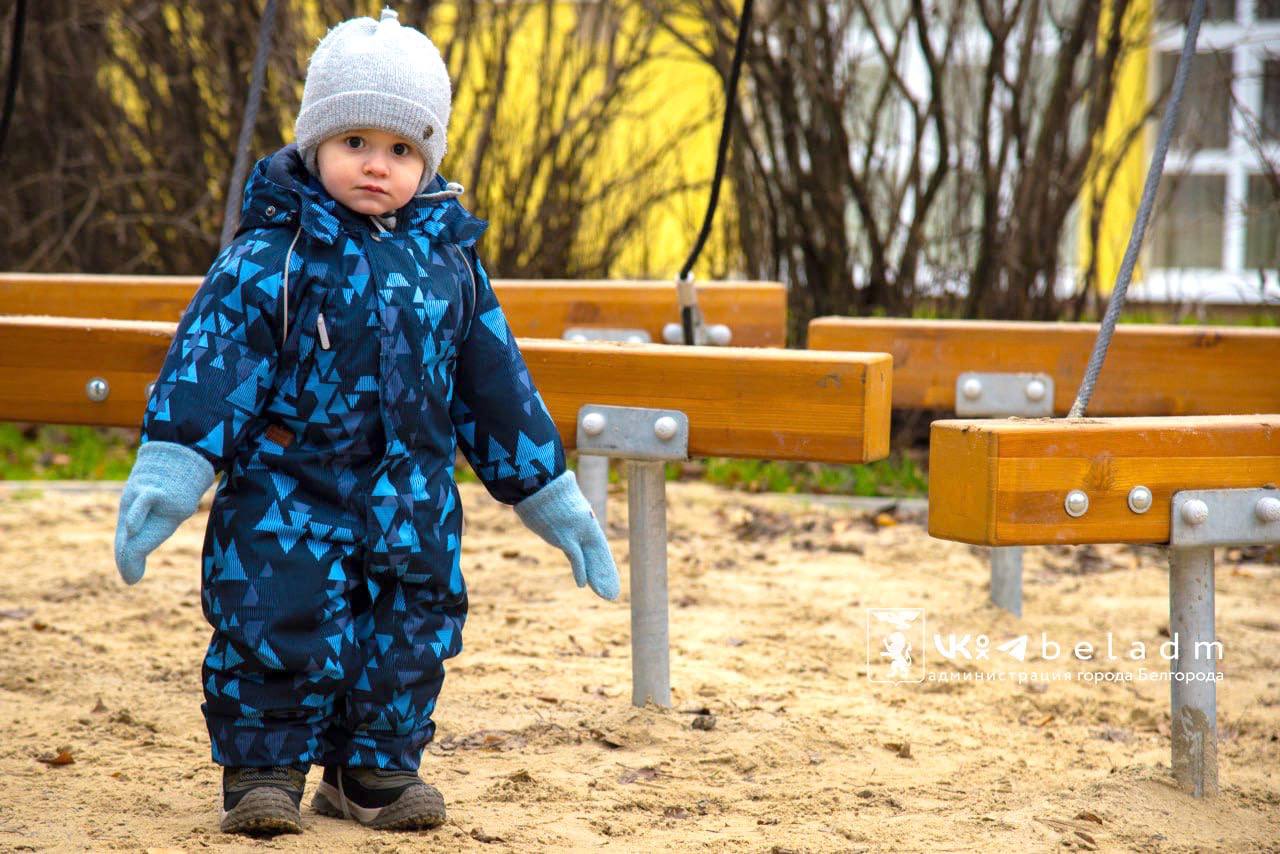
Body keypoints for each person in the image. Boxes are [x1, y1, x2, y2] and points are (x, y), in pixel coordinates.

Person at [112, 6, 619, 837]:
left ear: (428, 160)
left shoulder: (451, 264)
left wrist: (549, 494)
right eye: (356, 144)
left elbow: (494, 386)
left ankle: (373, 766)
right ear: (316, 144)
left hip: (411, 502)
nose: (377, 166)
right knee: (274, 618)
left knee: (409, 625)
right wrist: (173, 468)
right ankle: (264, 766)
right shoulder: (271, 256)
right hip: (286, 498)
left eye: (401, 150)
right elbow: (211, 365)